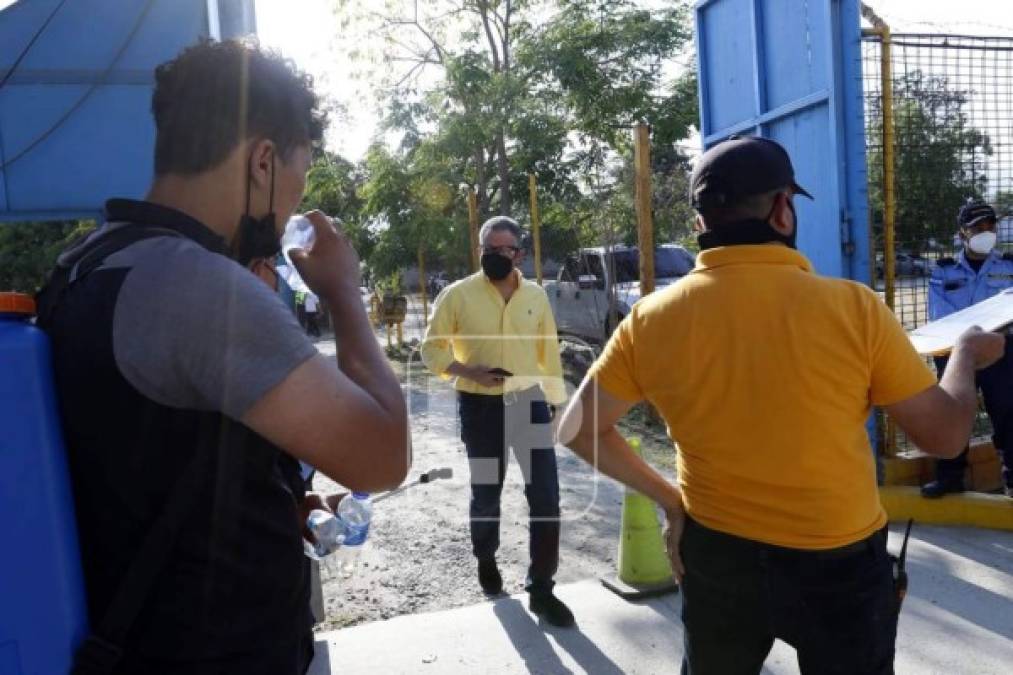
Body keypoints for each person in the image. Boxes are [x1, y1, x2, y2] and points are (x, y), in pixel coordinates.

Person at [557, 136, 1005, 674]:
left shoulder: (651, 319)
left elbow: (578, 429)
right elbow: (946, 437)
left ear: (702, 223)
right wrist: (966, 355)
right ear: (782, 209)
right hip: (838, 562)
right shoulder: (853, 309)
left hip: (718, 555)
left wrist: (672, 500)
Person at [37, 39, 409, 674]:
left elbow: (152, 458)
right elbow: (381, 456)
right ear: (263, 161)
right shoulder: (198, 287)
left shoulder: (87, 264)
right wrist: (344, 292)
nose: (296, 202)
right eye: (302, 175)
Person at [419, 216, 573, 627]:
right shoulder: (458, 295)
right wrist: (468, 372)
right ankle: (486, 557)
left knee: (546, 498)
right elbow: (431, 349)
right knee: (486, 492)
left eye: (502, 249)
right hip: (480, 409)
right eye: (487, 249)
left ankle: (542, 587)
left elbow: (548, 355)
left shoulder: (536, 296)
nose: (493, 256)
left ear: (518, 254)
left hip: (529, 406)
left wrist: (557, 406)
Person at [922, 198, 1013, 499]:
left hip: (1000, 350)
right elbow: (939, 313)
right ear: (963, 233)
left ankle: (1011, 478)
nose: (986, 232)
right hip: (955, 352)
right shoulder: (944, 271)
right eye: (977, 227)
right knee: (951, 415)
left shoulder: (1009, 265)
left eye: (990, 225)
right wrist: (970, 340)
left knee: (1008, 413)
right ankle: (949, 477)